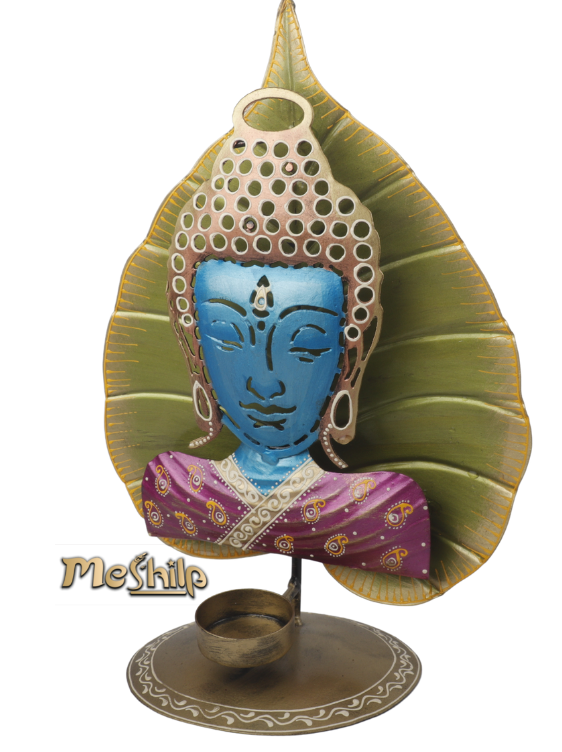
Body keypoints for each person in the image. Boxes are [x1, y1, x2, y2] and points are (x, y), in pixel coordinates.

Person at [140, 89, 430, 578]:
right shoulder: (175, 488)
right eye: (229, 339)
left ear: (347, 358)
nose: (266, 382)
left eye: (305, 344)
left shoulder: (385, 511)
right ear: (196, 350)